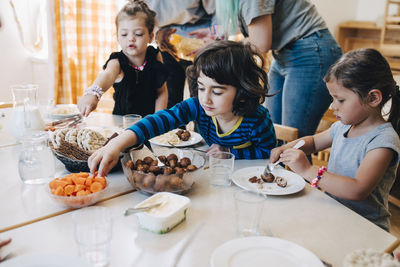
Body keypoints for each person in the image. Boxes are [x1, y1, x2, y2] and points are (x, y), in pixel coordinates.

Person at [89, 41, 277, 176]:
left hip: (247, 182)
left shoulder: (258, 119)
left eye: (217, 92)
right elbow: (159, 120)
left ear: (242, 92)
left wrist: (228, 152)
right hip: (213, 178)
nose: (205, 98)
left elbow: (269, 154)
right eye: (202, 88)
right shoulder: (198, 106)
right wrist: (117, 143)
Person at [270, 49, 400, 231]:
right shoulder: (343, 127)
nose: (333, 106)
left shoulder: (383, 140)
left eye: (340, 100)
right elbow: (313, 142)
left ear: (373, 98)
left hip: (366, 229)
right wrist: (289, 147)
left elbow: (357, 189)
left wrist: (307, 170)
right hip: (335, 215)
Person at [214, 0, 342, 138]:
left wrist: (223, 47)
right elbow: (256, 27)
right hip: (284, 53)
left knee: (294, 143)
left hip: (311, 52)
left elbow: (260, 43)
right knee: (274, 134)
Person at [78, 0, 168, 117]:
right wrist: (93, 93)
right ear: (117, 37)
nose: (131, 38)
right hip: (122, 125)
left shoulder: (154, 56)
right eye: (124, 34)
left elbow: (161, 91)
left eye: (138, 34)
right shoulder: (117, 61)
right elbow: (107, 75)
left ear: (150, 37)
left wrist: (157, 119)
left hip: (148, 124)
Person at [146, 0, 216, 108]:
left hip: (199, 38)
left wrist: (213, 37)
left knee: (203, 96)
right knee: (171, 97)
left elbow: (218, 13)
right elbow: (141, 14)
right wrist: (156, 34)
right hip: (167, 40)